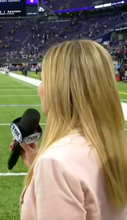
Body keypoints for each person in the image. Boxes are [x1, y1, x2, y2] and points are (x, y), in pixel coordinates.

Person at [11, 39, 127, 219]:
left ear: (59, 88)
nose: (40, 89)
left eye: (44, 80)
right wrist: (37, 162)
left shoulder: (55, 163)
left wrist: (48, 166)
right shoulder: (114, 146)